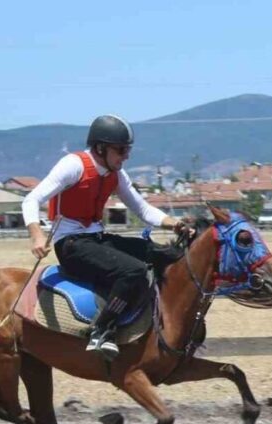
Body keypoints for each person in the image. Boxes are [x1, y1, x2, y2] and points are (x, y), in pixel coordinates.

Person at [22, 114, 188, 359]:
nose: (126, 156)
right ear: (101, 148)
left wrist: (174, 223)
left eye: (128, 150)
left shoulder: (116, 174)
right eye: (121, 150)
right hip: (70, 245)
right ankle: (101, 331)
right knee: (133, 271)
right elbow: (31, 200)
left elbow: (142, 209)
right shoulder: (73, 165)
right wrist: (37, 236)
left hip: (97, 239)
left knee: (164, 254)